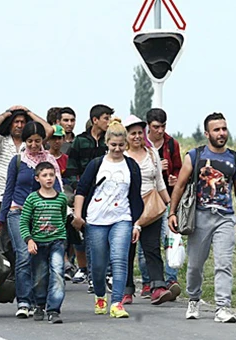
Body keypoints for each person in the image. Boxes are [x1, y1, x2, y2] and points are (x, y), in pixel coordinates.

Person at [169, 112, 236, 323]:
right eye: (216, 129)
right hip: (199, 217)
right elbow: (179, 185)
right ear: (207, 133)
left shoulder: (234, 158)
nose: (221, 133)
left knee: (224, 263)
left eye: (224, 128)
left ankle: (223, 307)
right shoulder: (195, 156)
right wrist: (172, 213)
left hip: (224, 217)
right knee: (195, 265)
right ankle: (194, 299)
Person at [72, 117, 144, 319]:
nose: (117, 149)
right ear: (107, 143)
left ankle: (117, 303)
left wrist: (136, 223)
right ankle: (100, 295)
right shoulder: (97, 164)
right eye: (113, 145)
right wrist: (78, 215)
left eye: (121, 145)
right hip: (96, 219)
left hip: (122, 217)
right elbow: (82, 190)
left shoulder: (131, 166)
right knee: (98, 264)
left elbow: (136, 196)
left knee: (120, 260)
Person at [0, 121, 61, 318]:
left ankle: (37, 301)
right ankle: (23, 300)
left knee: (38, 257)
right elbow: (9, 190)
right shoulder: (17, 161)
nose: (34, 145)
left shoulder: (49, 162)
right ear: (25, 141)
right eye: (30, 141)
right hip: (18, 212)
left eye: (37, 141)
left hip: (43, 214)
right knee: (23, 254)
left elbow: (57, 188)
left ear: (43, 141)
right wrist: (0, 219)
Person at [0, 106, 51, 261]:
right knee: (4, 242)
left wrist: (28, 112)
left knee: (24, 244)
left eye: (22, 122)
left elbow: (48, 130)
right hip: (2, 196)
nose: (19, 125)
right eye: (16, 122)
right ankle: (4, 279)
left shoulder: (32, 144)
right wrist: (7, 113)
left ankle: (21, 278)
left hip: (26, 199)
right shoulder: (0, 141)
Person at [121, 115, 173, 305]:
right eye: (132, 133)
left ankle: (157, 287)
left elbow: (160, 182)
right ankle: (125, 289)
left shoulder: (152, 155)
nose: (136, 137)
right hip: (127, 208)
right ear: (125, 136)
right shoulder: (121, 157)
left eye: (139, 133)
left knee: (152, 248)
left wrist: (171, 207)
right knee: (127, 250)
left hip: (151, 208)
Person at [65, 104, 113, 290]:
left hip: (107, 195)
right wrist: (79, 189)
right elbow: (71, 168)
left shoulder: (109, 142)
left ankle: (107, 274)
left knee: (106, 236)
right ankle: (93, 277)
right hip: (85, 195)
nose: (108, 122)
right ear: (95, 120)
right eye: (105, 118)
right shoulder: (80, 141)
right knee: (90, 236)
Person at [19, 162, 69, 324]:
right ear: (37, 178)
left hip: (57, 241)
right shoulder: (32, 199)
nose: (49, 178)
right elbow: (24, 222)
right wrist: (29, 240)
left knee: (58, 273)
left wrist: (61, 236)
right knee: (40, 275)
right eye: (44, 175)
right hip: (38, 242)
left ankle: (54, 309)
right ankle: (39, 304)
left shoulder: (61, 198)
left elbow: (62, 219)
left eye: (51, 175)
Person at [144, 108, 183, 298]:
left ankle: (171, 279)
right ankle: (146, 281)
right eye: (156, 127)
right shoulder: (141, 143)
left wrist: (174, 178)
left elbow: (179, 169)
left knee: (170, 237)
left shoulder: (171, 144)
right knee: (148, 243)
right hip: (147, 198)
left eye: (163, 126)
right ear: (148, 126)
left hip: (167, 195)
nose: (160, 130)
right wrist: (158, 164)